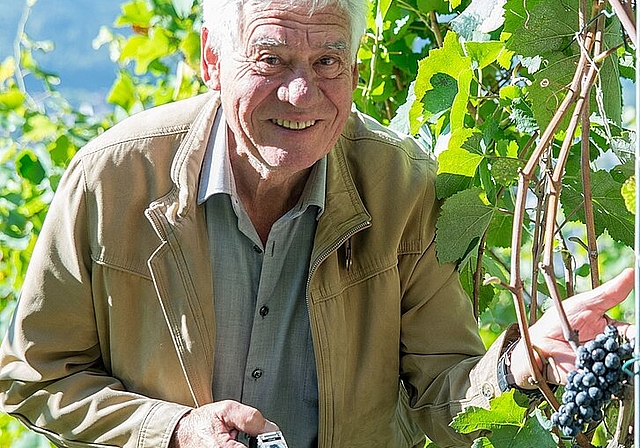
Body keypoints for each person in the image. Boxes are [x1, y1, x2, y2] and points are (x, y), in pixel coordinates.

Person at [0, 0, 634, 446]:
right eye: (271, 60)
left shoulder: (403, 187)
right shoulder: (112, 182)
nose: (302, 94)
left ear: (355, 68)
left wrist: (520, 364)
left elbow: (442, 399)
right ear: (212, 60)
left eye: (329, 63)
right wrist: (170, 432)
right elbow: (36, 376)